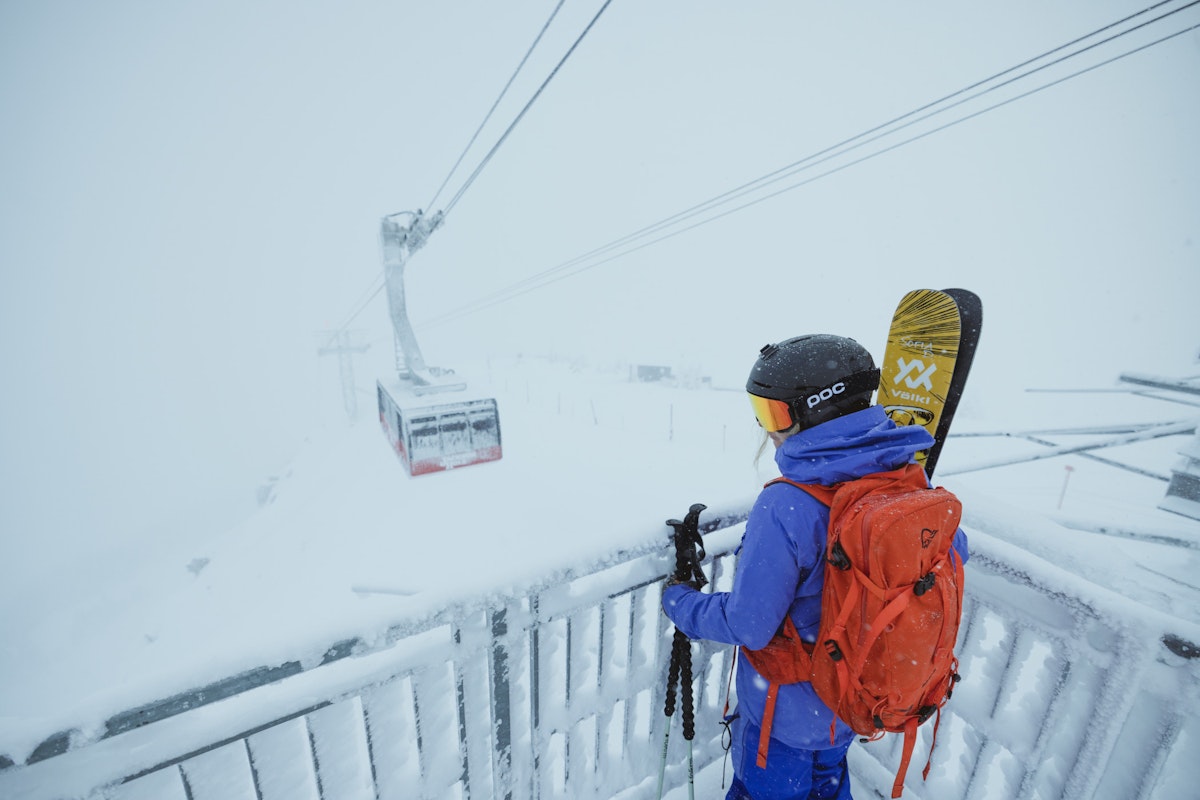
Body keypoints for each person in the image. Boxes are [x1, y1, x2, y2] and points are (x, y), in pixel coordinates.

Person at [661, 334, 969, 800]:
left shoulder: (787, 504)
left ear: (817, 410)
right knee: (828, 788)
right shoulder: (904, 478)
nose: (768, 429)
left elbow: (749, 624)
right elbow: (955, 550)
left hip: (783, 716)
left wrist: (679, 600)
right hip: (855, 699)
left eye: (775, 414)